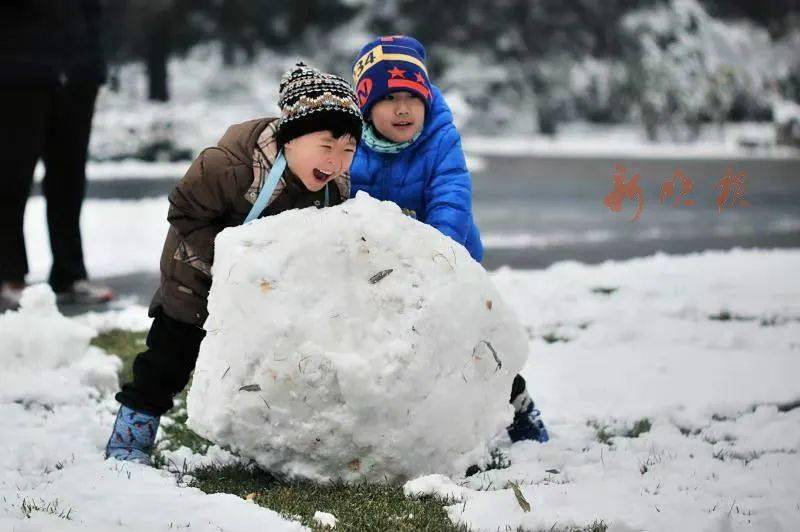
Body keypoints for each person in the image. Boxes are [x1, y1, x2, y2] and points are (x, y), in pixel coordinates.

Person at [105, 64, 364, 464]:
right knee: (167, 364)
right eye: (327, 146)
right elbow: (183, 211)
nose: (336, 161)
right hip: (195, 281)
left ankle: (270, 447)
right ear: (291, 139)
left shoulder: (335, 189)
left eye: (349, 150)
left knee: (266, 372)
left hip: (262, 296)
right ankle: (130, 438)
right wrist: (235, 259)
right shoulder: (230, 167)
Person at [349, 36, 548, 443]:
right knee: (384, 346)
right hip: (377, 268)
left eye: (412, 97)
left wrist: (441, 255)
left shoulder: (439, 138)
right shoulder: (350, 144)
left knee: (472, 343)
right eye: (389, 99)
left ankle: (518, 401)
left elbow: (451, 195)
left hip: (448, 260)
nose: (403, 109)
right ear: (368, 106)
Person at [0, 0, 114, 309]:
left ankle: (69, 274)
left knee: (69, 177)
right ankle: (10, 275)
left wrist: (93, 66)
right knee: (12, 176)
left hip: (77, 74)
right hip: (18, 73)